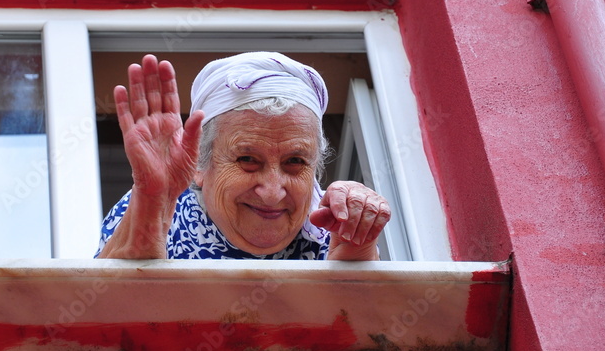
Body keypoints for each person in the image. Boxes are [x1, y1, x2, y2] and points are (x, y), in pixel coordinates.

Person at [96, 52, 391, 261]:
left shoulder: (331, 226)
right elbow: (103, 315)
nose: (273, 192)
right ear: (201, 164)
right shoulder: (157, 208)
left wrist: (356, 246)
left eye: (295, 162)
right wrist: (151, 199)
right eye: (248, 160)